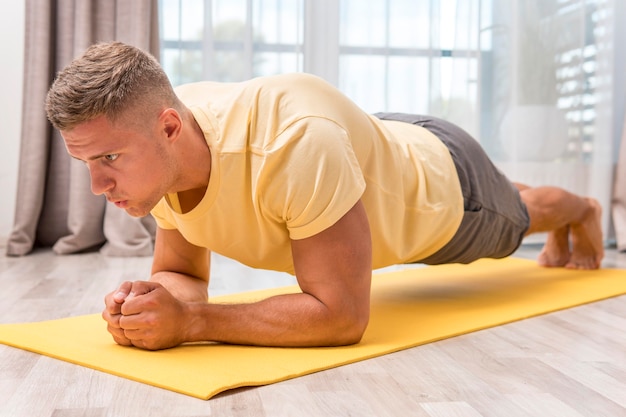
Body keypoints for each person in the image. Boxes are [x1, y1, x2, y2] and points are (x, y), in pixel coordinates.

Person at [45, 42, 604, 351]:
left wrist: (192, 324)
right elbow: (183, 274)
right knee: (508, 192)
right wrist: (150, 300)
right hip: (370, 143)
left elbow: (340, 317)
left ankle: (583, 209)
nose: (98, 186)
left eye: (108, 160)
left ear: (169, 128)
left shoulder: (293, 146)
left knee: (518, 213)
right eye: (85, 163)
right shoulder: (164, 147)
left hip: (447, 188)